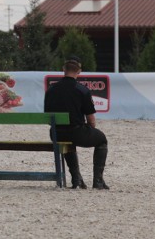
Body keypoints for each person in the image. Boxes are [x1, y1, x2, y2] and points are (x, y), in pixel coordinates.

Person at [44, 55, 110, 190]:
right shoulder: (82, 90)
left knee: (67, 141)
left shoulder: (51, 90)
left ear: (63, 69)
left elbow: (48, 116)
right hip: (76, 132)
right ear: (79, 71)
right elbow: (91, 120)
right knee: (102, 139)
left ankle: (76, 179)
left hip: (57, 134)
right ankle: (98, 181)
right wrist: (90, 130)